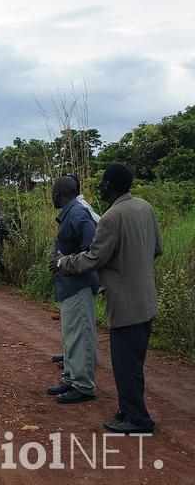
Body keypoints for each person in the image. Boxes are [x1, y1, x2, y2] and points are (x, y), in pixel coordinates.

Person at [55, 164, 163, 434]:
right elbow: (157, 248)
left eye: (103, 182)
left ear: (110, 185)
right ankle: (128, 408)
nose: (100, 186)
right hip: (146, 297)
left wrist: (64, 263)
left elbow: (95, 257)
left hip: (124, 301)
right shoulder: (144, 207)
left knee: (125, 363)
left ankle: (139, 420)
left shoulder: (112, 216)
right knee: (134, 360)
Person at [45, 176, 100, 405]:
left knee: (80, 336)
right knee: (71, 336)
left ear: (58, 192)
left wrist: (65, 263)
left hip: (79, 284)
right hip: (69, 286)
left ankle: (83, 385)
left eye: (52, 191)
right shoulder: (71, 212)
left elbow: (93, 248)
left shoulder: (77, 213)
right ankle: (71, 378)